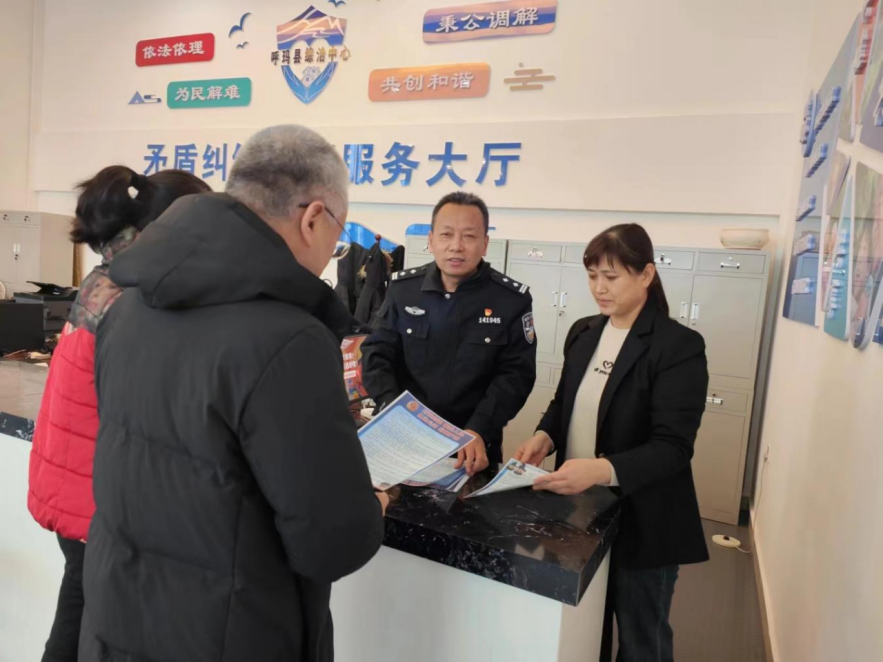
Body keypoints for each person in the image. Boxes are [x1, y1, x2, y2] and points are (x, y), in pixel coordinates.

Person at [77, 125, 388, 662]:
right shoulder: (288, 341)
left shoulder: (126, 309)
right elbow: (330, 544)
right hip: (229, 634)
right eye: (337, 232)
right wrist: (371, 508)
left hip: (119, 618)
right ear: (314, 218)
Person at [27, 165, 210, 662]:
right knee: (93, 624)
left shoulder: (113, 273)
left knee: (80, 605)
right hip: (95, 490)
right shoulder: (136, 292)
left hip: (74, 479)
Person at [514, 224, 709, 662]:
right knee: (586, 628)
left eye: (611, 276)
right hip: (580, 512)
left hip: (645, 517)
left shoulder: (678, 346)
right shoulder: (584, 332)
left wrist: (601, 470)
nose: (599, 288)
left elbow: (673, 446)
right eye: (592, 276)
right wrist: (545, 436)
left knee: (642, 638)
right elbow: (565, 402)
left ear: (646, 275)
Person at [361, 192, 536, 474]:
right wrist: (394, 412)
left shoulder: (510, 300)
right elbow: (376, 354)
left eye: (469, 236)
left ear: (485, 243)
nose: (456, 246)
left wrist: (479, 428)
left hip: (473, 445)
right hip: (405, 437)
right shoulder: (404, 289)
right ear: (431, 240)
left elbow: (516, 375)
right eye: (446, 235)